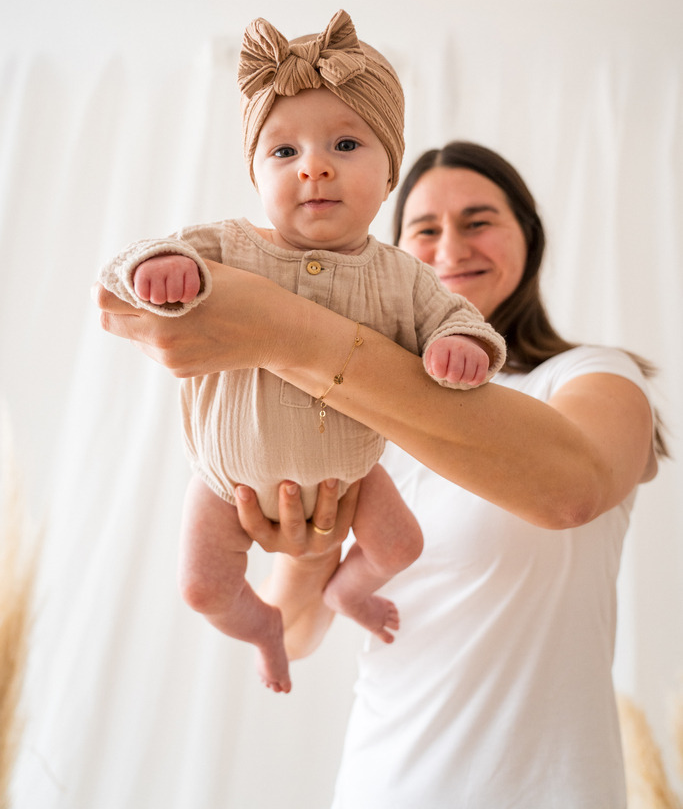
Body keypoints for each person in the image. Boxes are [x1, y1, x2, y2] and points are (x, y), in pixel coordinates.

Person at [94, 139, 662, 807]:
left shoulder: (586, 376)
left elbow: (571, 491)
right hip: (380, 783)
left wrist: (285, 331)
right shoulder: (345, 403)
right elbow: (296, 631)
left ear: (528, 239)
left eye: (478, 221)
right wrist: (310, 551)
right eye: (423, 229)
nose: (449, 248)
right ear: (395, 260)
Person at [98, 13, 506, 694]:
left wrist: (459, 345)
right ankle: (258, 625)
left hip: (352, 477)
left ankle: (347, 590)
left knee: (401, 546)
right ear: (256, 176)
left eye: (344, 143)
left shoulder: (401, 275)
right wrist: (159, 266)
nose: (312, 166)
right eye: (283, 153)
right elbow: (124, 266)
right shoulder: (231, 245)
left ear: (388, 179)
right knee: (201, 589)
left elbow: (455, 320)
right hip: (224, 484)